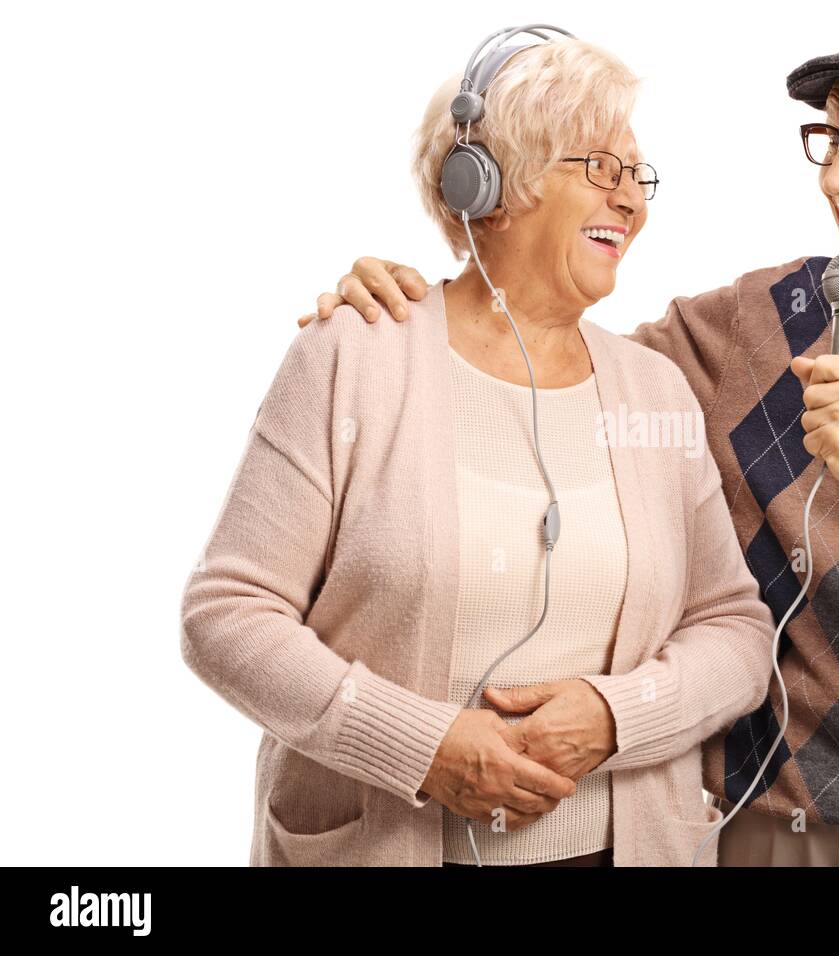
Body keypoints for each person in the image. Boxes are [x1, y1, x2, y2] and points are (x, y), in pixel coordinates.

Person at [306, 27, 839, 866]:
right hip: (761, 831)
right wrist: (410, 306)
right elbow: (540, 359)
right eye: (831, 140)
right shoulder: (750, 322)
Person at [180, 34, 775, 867]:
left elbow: (735, 629)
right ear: (490, 184)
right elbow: (226, 616)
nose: (634, 203)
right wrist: (423, 748)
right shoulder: (354, 355)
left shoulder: (654, 390)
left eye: (637, 178)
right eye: (602, 168)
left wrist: (617, 715)